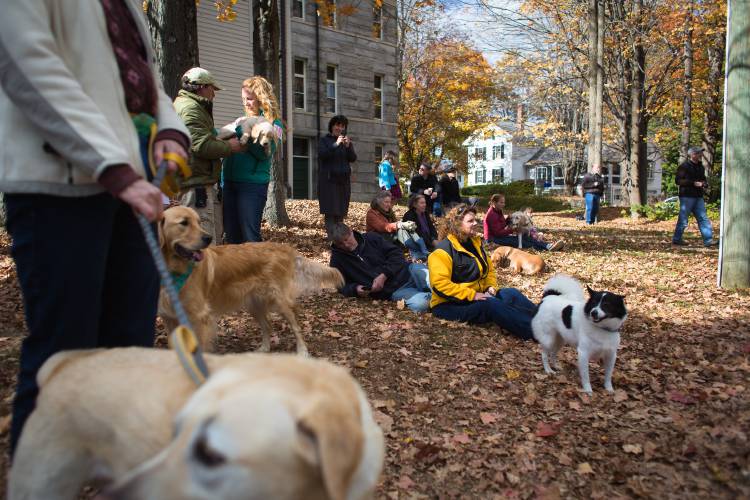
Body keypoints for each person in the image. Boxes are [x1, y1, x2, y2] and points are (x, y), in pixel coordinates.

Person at [0, 0, 190, 457]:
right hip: (58, 187)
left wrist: (169, 131)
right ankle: (37, 480)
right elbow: (30, 68)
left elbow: (142, 85)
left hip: (129, 185)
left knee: (129, 343)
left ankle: (118, 469)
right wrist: (113, 167)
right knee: (66, 351)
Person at [427, 205, 538, 340]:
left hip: (477, 296)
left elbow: (489, 270)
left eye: (475, 220)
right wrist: (473, 295)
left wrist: (490, 287)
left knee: (511, 293)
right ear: (457, 224)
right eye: (470, 221)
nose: (475, 224)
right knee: (490, 305)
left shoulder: (474, 243)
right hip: (448, 305)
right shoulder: (442, 251)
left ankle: (546, 319)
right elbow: (440, 286)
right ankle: (536, 332)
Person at [174, 67, 242, 243]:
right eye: (213, 88)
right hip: (197, 186)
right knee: (203, 243)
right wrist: (230, 147)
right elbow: (201, 145)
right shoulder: (191, 109)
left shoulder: (189, 105)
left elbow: (202, 137)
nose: (214, 94)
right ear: (202, 87)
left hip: (196, 182)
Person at [222, 76, 285, 243]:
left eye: (249, 99)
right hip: (229, 183)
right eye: (243, 99)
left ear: (261, 98)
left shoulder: (276, 124)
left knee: (250, 237)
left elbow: (265, 153)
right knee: (231, 237)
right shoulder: (242, 120)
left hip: (252, 186)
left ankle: (257, 269)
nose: (245, 103)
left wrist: (242, 132)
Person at [329, 223, 431, 313]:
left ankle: (439, 293)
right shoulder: (337, 259)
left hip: (409, 271)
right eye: (340, 244)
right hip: (394, 291)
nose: (346, 245)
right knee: (421, 304)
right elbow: (340, 284)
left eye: (347, 239)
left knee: (433, 281)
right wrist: (355, 288)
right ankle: (436, 298)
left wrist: (384, 274)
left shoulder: (371, 238)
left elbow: (397, 254)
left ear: (351, 231)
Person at [319, 115, 357, 239]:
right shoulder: (325, 140)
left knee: (340, 212)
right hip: (329, 182)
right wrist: (336, 144)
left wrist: (348, 147)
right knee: (331, 212)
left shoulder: (346, 142)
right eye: (337, 125)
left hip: (343, 182)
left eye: (342, 126)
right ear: (332, 126)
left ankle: (339, 240)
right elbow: (323, 155)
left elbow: (352, 158)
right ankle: (332, 240)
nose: (339, 128)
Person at [672, 146, 718, 247]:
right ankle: (677, 239)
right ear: (692, 155)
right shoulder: (684, 166)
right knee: (683, 219)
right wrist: (693, 183)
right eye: (698, 153)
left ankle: (708, 240)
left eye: (700, 153)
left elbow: (703, 179)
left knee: (703, 218)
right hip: (687, 196)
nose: (700, 155)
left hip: (698, 196)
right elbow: (678, 181)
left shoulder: (700, 167)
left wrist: (704, 183)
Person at [484, 194, 563, 251]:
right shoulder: (491, 215)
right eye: (501, 202)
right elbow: (498, 233)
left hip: (500, 237)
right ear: (494, 203)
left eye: (504, 202)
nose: (503, 204)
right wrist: (513, 230)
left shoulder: (498, 211)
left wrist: (508, 219)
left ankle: (548, 246)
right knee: (522, 241)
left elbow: (502, 225)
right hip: (493, 240)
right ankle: (547, 247)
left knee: (526, 238)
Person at [366, 191, 430, 261]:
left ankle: (422, 250)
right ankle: (418, 252)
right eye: (386, 202)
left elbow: (394, 225)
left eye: (389, 202)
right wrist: (400, 224)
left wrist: (404, 225)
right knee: (401, 230)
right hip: (376, 240)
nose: (389, 204)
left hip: (388, 237)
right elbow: (382, 227)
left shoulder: (388, 212)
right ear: (379, 202)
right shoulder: (371, 213)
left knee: (405, 229)